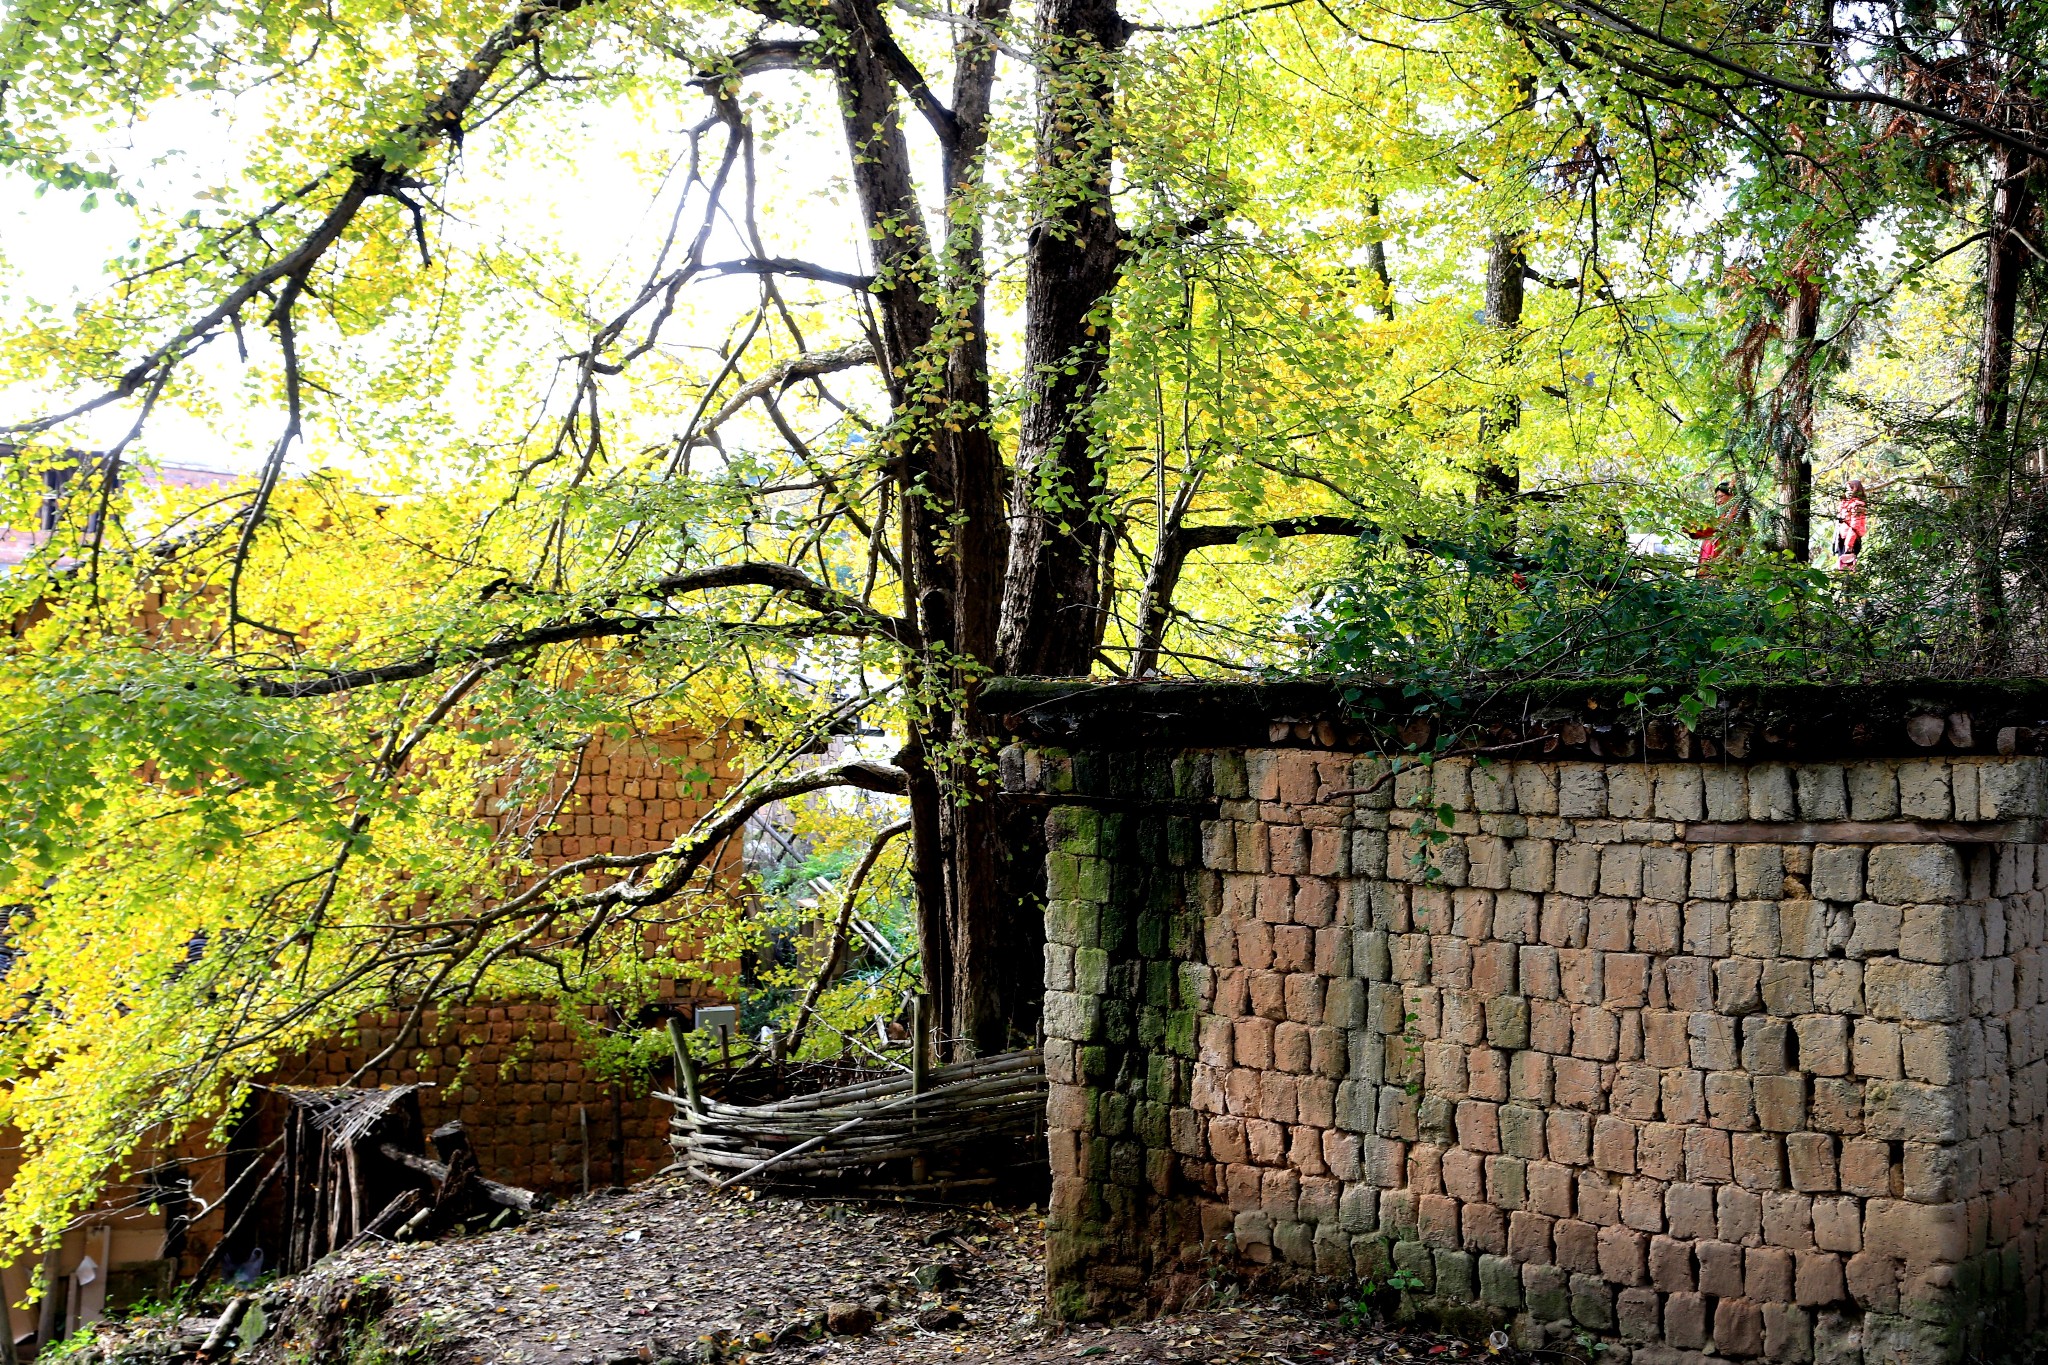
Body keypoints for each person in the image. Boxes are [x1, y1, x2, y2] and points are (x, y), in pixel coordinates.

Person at [1687, 480, 1743, 575]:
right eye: (1716, 498)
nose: (1718, 501)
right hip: (1710, 561)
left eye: (1721, 496)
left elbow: (1720, 526)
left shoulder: (1738, 514)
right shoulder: (1722, 515)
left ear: (1732, 495)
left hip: (1725, 562)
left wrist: (1696, 528)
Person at [1832, 478, 1867, 570]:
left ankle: (1849, 583)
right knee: (1841, 565)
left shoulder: (1858, 505)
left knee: (1848, 567)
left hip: (1851, 540)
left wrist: (1849, 544)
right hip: (1842, 537)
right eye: (1846, 490)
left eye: (1850, 490)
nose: (1847, 492)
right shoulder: (1844, 504)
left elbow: (1855, 526)